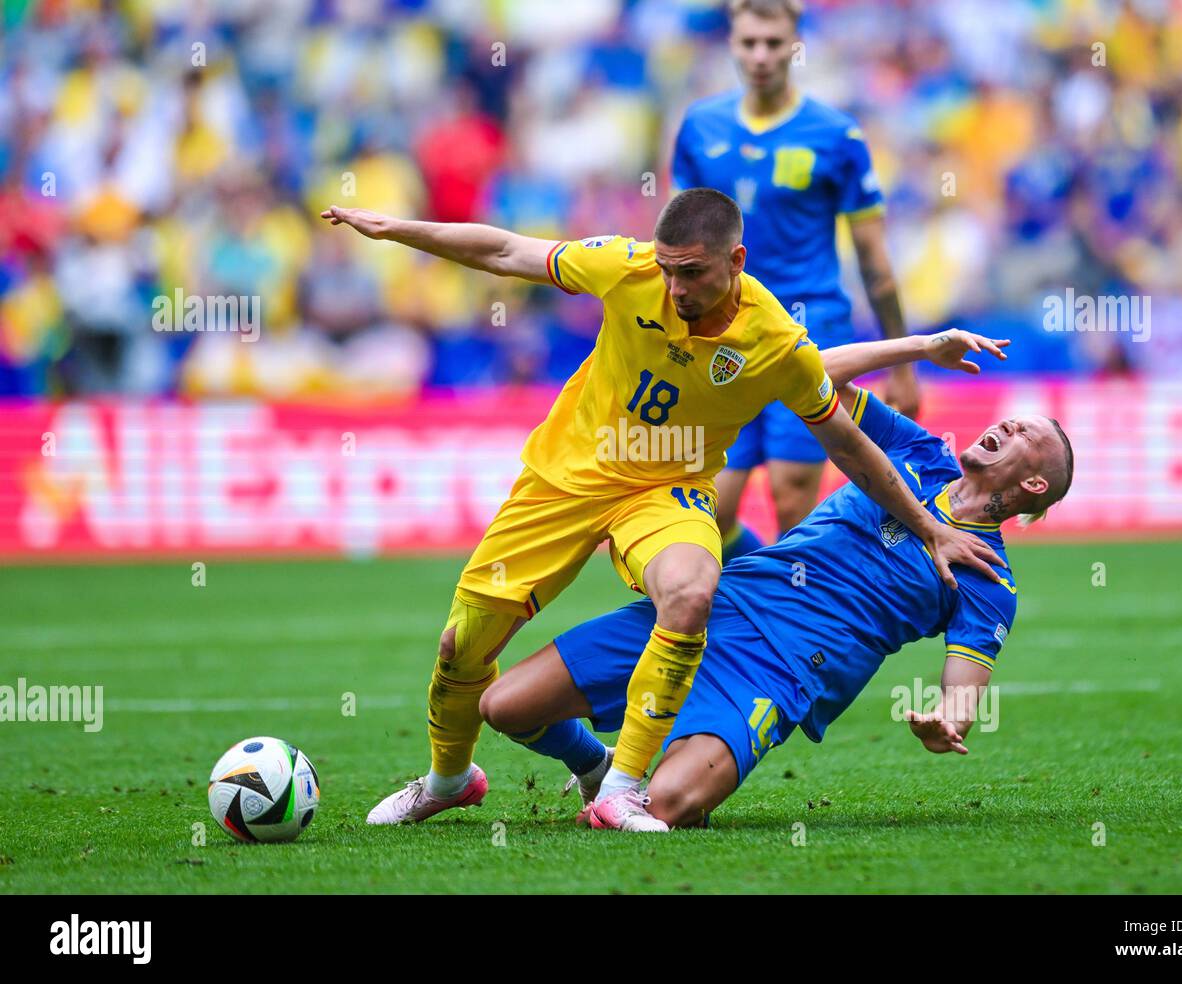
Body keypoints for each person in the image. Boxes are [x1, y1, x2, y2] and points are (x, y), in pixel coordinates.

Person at [319, 190, 1003, 830]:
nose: (675, 288)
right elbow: (505, 251)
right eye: (668, 270)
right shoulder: (626, 266)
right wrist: (396, 230)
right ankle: (450, 780)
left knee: (689, 590)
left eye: (693, 273)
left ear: (736, 261)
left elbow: (850, 448)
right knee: (461, 648)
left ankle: (619, 787)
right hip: (564, 479)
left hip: (665, 493)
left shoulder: (774, 341)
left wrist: (930, 530)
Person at [478, 330, 1074, 830]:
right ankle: (596, 767)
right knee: (504, 707)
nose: (1008, 426)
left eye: (1027, 436)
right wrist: (921, 347)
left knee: (662, 808)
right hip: (717, 607)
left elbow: (962, 699)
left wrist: (945, 721)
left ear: (1035, 486)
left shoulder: (987, 578)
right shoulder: (921, 453)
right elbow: (813, 378)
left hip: (780, 671)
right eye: (1012, 420)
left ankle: (658, 771)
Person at [671, 0, 918, 562]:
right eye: (749, 43)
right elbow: (677, 245)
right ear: (731, 43)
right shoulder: (700, 127)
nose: (760, 56)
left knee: (791, 498)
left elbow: (874, 259)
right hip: (725, 335)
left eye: (773, 43)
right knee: (714, 510)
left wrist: (901, 366)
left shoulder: (837, 136)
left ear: (795, 45)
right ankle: (771, 596)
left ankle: (795, 637)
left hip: (809, 331)